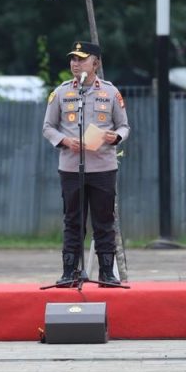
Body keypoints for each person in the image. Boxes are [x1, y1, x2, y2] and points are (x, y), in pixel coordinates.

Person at [42, 40, 130, 286]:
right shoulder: (61, 92)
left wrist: (117, 137)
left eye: (81, 59)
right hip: (71, 168)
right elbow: (48, 128)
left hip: (103, 167)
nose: (75, 63)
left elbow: (124, 125)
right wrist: (65, 141)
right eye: (73, 59)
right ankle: (69, 271)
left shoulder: (111, 93)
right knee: (73, 220)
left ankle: (106, 273)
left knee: (104, 221)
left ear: (96, 63)